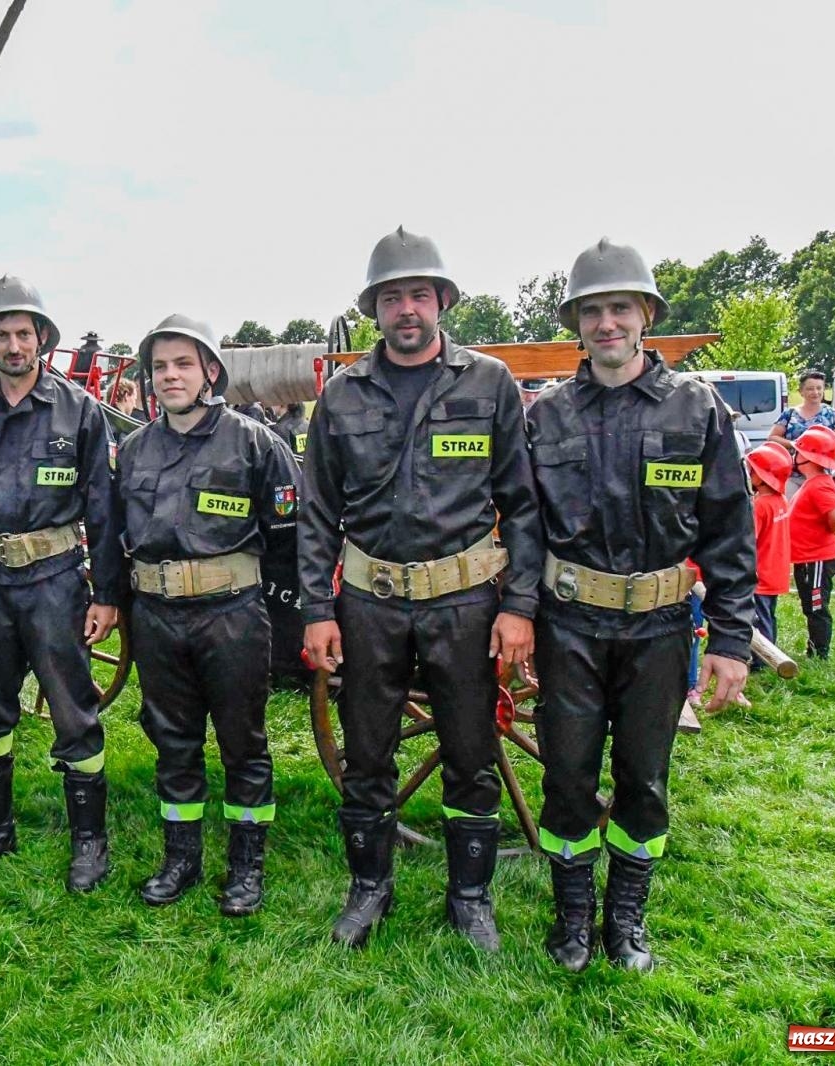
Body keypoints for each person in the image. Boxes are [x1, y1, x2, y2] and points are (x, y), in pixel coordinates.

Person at [300, 227, 543, 951]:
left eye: (419, 294)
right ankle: (368, 890)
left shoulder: (489, 383)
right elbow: (316, 512)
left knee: (471, 752)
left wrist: (522, 604)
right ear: (375, 308)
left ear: (441, 301)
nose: (407, 308)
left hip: (465, 601)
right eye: (392, 296)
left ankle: (471, 900)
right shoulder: (341, 396)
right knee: (368, 751)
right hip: (370, 601)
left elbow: (522, 503)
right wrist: (317, 610)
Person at [528, 238, 753, 972]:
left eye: (620, 308)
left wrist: (731, 639)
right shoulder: (548, 418)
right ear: (577, 324)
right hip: (569, 628)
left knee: (644, 779)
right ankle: (572, 917)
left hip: (659, 627)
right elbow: (524, 530)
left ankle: (626, 919)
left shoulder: (698, 410)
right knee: (565, 775)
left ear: (646, 314)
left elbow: (729, 527)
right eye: (591, 311)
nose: (607, 324)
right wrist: (519, 622)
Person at [0, 275, 124, 891]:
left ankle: (90, 839)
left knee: (75, 712)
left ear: (41, 338)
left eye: (24, 333)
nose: (14, 344)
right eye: (2, 334)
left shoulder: (78, 410)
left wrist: (108, 595)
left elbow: (103, 508)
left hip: (56, 580)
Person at [118, 313, 299, 915]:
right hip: (157, 618)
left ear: (210, 373)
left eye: (183, 364)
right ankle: (181, 858)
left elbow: (288, 536)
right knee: (173, 742)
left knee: (243, 743)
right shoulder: (136, 450)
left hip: (232, 617)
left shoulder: (254, 443)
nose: (170, 376)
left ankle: (246, 866)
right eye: (161, 367)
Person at [787, 426, 835, 659]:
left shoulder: (820, 484)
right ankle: (815, 647)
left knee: (816, 605)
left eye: (798, 452)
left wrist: (832, 532)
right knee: (810, 604)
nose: (794, 456)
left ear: (808, 457)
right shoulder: (811, 483)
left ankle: (819, 651)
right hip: (808, 558)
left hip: (817, 558)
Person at [746, 442, 793, 663]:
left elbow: (748, 539)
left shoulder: (760, 505)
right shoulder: (780, 500)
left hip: (760, 572)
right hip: (776, 569)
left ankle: (762, 659)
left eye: (752, 470)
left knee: (758, 616)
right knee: (768, 614)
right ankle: (771, 649)